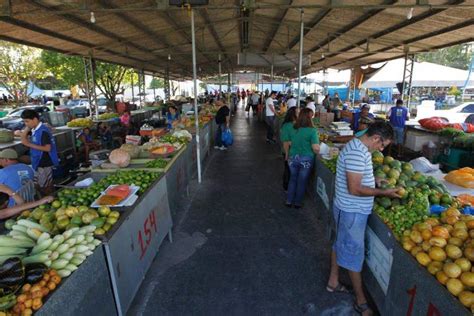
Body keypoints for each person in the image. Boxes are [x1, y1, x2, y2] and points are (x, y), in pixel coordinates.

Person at [327, 121, 400, 316]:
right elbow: (355, 188)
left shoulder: (359, 148)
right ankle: (361, 301)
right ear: (376, 138)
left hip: (347, 209)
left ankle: (333, 282)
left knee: (339, 243)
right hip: (352, 211)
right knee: (353, 255)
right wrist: (384, 193)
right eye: (382, 145)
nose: (381, 149)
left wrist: (373, 180)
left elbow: (356, 178)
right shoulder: (357, 152)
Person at [285, 108, 319, 208]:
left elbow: (289, 142)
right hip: (306, 159)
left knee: (292, 179)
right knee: (301, 181)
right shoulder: (312, 131)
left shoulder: (293, 128)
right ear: (309, 118)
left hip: (293, 157)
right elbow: (315, 148)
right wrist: (321, 149)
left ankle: (289, 200)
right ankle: (297, 203)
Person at [20, 109, 59, 196]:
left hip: (44, 162)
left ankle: (49, 199)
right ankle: (45, 198)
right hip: (38, 161)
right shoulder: (35, 129)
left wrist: (28, 144)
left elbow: (47, 148)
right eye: (24, 122)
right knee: (40, 184)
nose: (26, 124)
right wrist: (27, 128)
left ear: (35, 119)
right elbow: (23, 138)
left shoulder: (43, 131)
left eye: (27, 121)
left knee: (46, 186)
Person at [280, 106, 298, 191]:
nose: (299, 114)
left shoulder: (298, 124)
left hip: (295, 150)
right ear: (293, 114)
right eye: (298, 112)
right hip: (288, 151)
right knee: (288, 169)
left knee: (292, 170)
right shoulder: (287, 126)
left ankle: (292, 186)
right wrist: (287, 154)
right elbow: (285, 142)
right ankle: (286, 187)